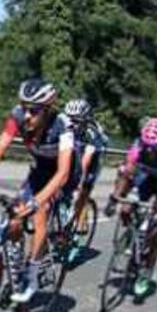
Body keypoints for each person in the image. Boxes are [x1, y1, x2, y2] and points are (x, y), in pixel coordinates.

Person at [0, 78, 74, 303]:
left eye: (33, 110)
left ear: (47, 110)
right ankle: (16, 261)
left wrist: (37, 201)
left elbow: (63, 173)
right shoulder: (18, 116)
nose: (26, 115)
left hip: (62, 174)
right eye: (24, 107)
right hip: (39, 170)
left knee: (40, 212)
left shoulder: (62, 126)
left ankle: (32, 276)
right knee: (14, 218)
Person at [107, 118, 157, 297]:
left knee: (154, 233)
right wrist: (114, 199)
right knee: (126, 209)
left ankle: (146, 272)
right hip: (146, 180)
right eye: (146, 145)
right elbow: (127, 175)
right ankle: (131, 233)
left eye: (152, 147)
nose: (148, 150)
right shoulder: (138, 148)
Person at [62, 99, 107, 239]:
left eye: (76, 121)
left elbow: (86, 161)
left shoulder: (92, 133)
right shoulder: (63, 124)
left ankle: (80, 216)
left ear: (85, 120)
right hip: (75, 148)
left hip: (94, 154)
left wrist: (79, 182)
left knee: (84, 186)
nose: (72, 124)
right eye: (70, 119)